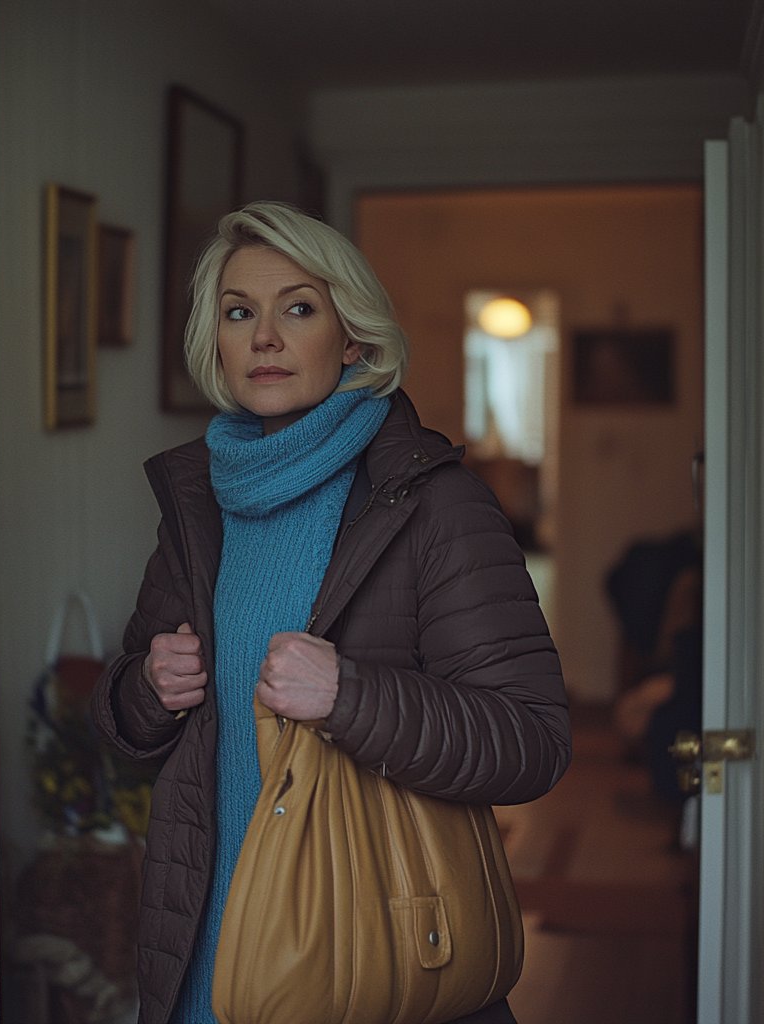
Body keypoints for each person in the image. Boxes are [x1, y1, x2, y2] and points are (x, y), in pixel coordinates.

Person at [92, 200, 571, 1024]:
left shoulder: (434, 504)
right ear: (217, 340)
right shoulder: (198, 505)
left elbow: (531, 742)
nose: (265, 336)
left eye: (298, 309)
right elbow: (128, 728)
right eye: (239, 312)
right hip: (203, 967)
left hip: (368, 964)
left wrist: (351, 695)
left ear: (354, 339)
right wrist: (146, 687)